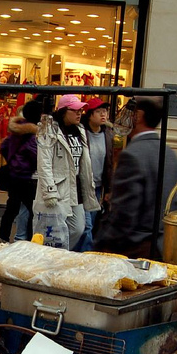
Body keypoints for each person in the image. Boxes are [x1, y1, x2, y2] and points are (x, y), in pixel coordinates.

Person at [95, 97, 177, 258]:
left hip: (135, 246)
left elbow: (126, 211)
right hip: (162, 243)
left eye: (130, 114)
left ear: (138, 116)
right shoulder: (169, 153)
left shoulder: (132, 155)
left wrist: (104, 243)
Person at [36, 95, 100, 248]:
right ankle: (52, 258)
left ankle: (59, 254)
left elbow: (85, 162)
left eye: (81, 110)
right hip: (58, 187)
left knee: (78, 227)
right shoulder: (49, 129)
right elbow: (44, 162)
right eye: (75, 110)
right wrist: (49, 190)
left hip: (75, 187)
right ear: (64, 111)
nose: (79, 113)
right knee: (52, 231)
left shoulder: (80, 130)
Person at [75, 97, 114, 252]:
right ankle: (83, 255)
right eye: (98, 112)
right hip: (83, 185)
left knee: (90, 223)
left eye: (104, 111)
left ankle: (80, 253)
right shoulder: (81, 133)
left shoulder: (108, 134)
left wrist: (109, 189)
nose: (103, 115)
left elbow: (110, 163)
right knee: (86, 225)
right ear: (90, 115)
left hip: (98, 187)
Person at [0, 100, 40, 241]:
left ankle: (2, 238)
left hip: (13, 176)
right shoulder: (32, 135)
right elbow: (35, 155)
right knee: (31, 211)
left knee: (11, 210)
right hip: (24, 177)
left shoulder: (17, 131)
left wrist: (11, 160)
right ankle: (28, 240)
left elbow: (4, 146)